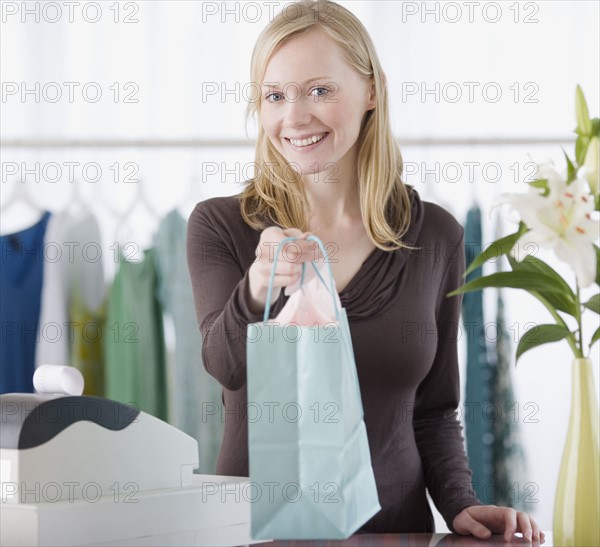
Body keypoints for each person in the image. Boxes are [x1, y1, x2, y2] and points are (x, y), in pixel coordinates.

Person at [187, 0, 545, 541]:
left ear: (372, 90)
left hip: (396, 534)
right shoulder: (221, 226)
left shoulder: (436, 237)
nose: (294, 117)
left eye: (320, 90)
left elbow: (434, 412)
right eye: (275, 95)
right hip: (253, 534)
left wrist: (460, 505)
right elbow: (224, 364)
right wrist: (258, 285)